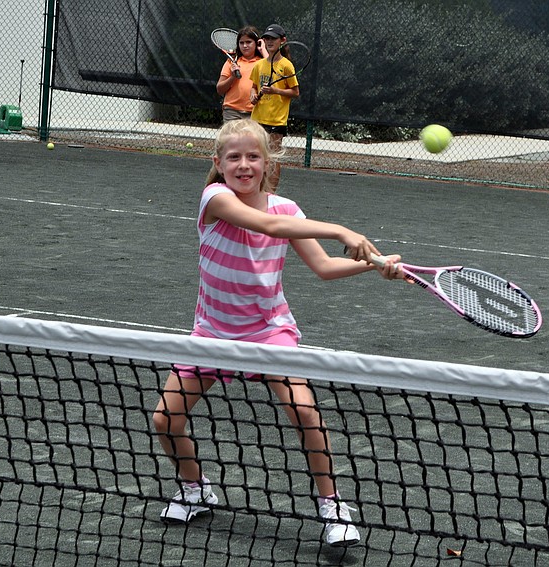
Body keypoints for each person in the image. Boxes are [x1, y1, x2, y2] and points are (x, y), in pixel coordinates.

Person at [152, 119, 402, 547]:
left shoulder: (288, 209)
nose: (244, 165)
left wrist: (376, 265)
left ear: (267, 163)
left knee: (305, 412)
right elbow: (267, 227)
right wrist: (341, 230)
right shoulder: (215, 198)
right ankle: (195, 490)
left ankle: (333, 507)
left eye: (253, 157)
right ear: (219, 163)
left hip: (269, 331)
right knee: (165, 418)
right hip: (212, 333)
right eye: (234, 157)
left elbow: (324, 267)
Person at [249, 24, 299, 191]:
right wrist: (253, 95)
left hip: (276, 120)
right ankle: (255, 190)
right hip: (257, 119)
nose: (269, 42)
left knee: (273, 157)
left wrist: (275, 90)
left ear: (282, 41)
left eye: (273, 39)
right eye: (267, 39)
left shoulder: (286, 66)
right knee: (255, 156)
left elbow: (295, 92)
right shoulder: (259, 65)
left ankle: (270, 193)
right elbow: (253, 86)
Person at [216, 26, 266, 122]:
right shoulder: (231, 62)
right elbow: (220, 89)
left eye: (248, 42)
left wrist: (263, 50)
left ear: (257, 43)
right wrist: (232, 77)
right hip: (231, 111)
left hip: (255, 112)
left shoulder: (263, 62)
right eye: (241, 43)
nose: (245, 46)